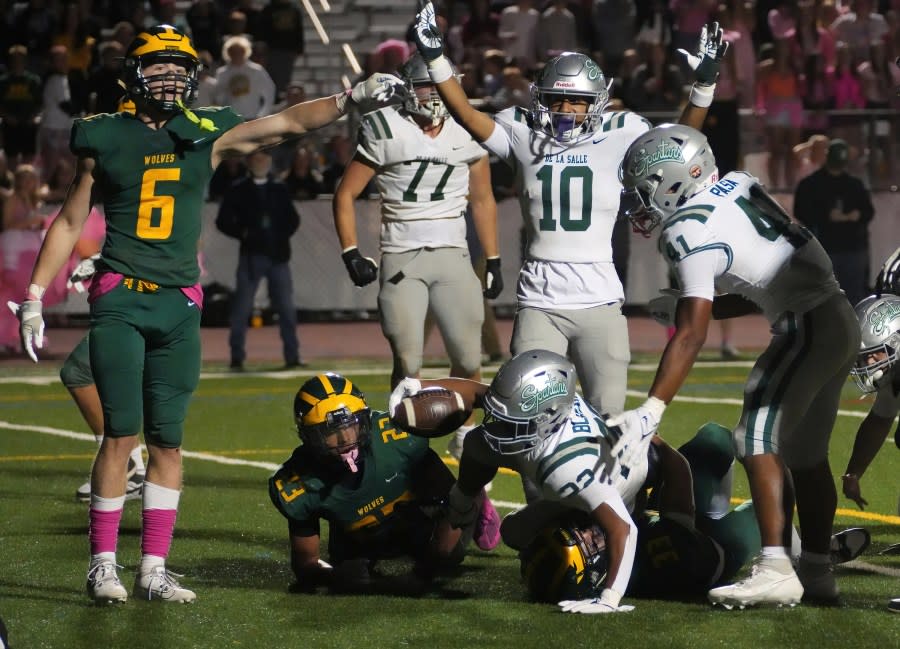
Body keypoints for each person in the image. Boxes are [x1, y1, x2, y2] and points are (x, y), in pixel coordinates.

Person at [8, 24, 404, 605]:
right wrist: (38, 293)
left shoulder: (206, 130)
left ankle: (153, 568)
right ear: (131, 75)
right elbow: (69, 221)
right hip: (122, 295)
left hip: (180, 303)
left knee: (169, 442)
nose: (169, 78)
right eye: (158, 67)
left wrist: (349, 101)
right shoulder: (103, 135)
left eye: (178, 68)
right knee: (120, 435)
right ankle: (101, 565)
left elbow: (288, 122)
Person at [409, 1, 728, 427]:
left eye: (576, 101)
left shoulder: (623, 132)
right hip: (540, 300)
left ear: (596, 102)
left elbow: (676, 145)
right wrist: (434, 59)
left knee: (609, 420)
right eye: (557, 99)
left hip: (600, 299)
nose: (564, 110)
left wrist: (704, 84)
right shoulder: (523, 132)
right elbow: (466, 115)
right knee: (526, 419)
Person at [616, 123, 859, 608]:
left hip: (806, 325)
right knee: (807, 457)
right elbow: (759, 281)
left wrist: (652, 407)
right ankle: (815, 570)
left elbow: (692, 333)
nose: (640, 205)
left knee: (753, 435)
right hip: (836, 317)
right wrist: (686, 302)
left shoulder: (685, 228)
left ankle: (774, 567)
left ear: (672, 181)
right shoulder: (739, 185)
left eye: (644, 191)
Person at [392, 349, 700, 613]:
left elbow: (623, 529)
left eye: (511, 423)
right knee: (484, 458)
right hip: (568, 466)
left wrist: (610, 599)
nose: (499, 427)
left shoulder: (567, 470)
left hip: (634, 478)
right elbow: (477, 394)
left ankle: (658, 528)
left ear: (547, 418)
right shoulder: (539, 411)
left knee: (657, 544)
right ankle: (463, 502)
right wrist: (419, 384)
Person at [333, 52, 502, 457]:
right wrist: (350, 251)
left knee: (466, 353)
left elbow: (482, 199)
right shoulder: (385, 126)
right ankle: (402, 439)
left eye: (438, 83)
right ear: (408, 89)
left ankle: (467, 434)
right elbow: (346, 193)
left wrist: (493, 258)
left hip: (453, 254)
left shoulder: (467, 128)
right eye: (425, 85)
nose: (434, 93)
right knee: (407, 358)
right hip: (401, 255)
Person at [520, 421, 872, 605]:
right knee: (772, 501)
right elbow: (677, 475)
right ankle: (810, 555)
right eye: (587, 544)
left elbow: (512, 531)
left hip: (669, 525)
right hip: (709, 553)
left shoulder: (599, 557)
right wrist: (650, 441)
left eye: (579, 533)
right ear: (594, 573)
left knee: (715, 440)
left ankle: (799, 549)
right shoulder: (654, 556)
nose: (588, 532)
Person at [268, 372, 501, 593]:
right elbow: (306, 566)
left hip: (420, 514)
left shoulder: (396, 439)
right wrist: (333, 576)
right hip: (361, 534)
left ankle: (477, 493)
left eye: (351, 425)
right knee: (348, 570)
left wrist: (426, 570)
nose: (346, 439)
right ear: (308, 437)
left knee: (447, 554)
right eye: (330, 432)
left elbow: (452, 502)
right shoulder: (298, 484)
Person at [216, 148, 303, 370]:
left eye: (264, 157)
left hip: (277, 256)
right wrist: (243, 233)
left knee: (285, 309)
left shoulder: (279, 189)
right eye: (256, 157)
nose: (260, 161)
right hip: (251, 257)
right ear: (249, 161)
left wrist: (280, 236)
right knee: (242, 310)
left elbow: (293, 219)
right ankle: (237, 357)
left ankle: (292, 357)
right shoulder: (238, 190)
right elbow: (223, 221)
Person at [793, 138, 875, 307]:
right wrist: (826, 216)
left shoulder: (854, 185)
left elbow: (868, 211)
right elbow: (801, 211)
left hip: (852, 249)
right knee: (824, 300)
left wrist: (857, 215)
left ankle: (853, 333)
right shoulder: (811, 184)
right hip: (825, 248)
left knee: (854, 299)